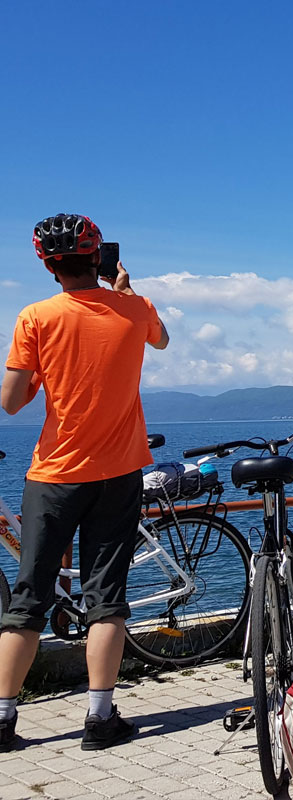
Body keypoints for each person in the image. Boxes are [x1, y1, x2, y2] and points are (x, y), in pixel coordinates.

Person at [0, 215, 170, 752]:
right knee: (106, 598)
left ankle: (3, 722)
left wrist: (48, 370)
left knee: (29, 596)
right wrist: (126, 292)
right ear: (99, 259)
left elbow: (11, 400)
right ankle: (99, 721)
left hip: (52, 475)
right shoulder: (135, 309)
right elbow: (161, 342)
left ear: (49, 266)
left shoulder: (37, 317)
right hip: (118, 473)